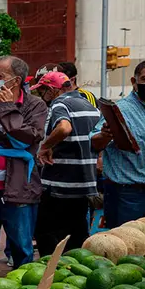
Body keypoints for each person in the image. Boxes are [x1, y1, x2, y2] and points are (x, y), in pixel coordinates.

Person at [0, 56, 46, 289]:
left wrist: (6, 108)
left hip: (19, 191)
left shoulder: (35, 105)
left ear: (16, 80)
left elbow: (29, 138)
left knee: (22, 249)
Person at [90, 60, 145, 227]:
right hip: (129, 197)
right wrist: (105, 134)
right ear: (134, 81)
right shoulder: (121, 109)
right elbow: (95, 142)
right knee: (128, 248)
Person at [33, 71, 100, 254]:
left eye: (42, 91)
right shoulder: (90, 106)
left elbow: (64, 128)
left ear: (51, 90)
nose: (42, 96)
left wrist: (45, 146)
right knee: (76, 236)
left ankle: (51, 276)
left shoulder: (60, 104)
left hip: (60, 183)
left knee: (47, 235)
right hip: (84, 183)